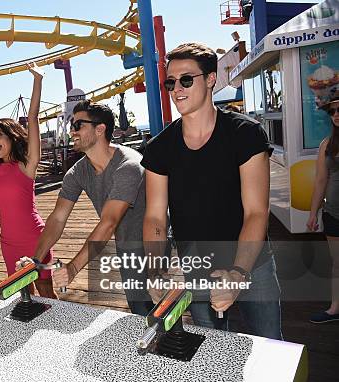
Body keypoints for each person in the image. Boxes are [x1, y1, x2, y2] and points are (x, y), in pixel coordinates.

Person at [141, 42, 282, 339]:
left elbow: (257, 212)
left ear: (210, 79)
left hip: (252, 265)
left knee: (271, 347)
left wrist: (238, 273)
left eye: (186, 79)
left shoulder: (245, 134)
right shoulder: (159, 149)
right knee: (213, 349)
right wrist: (154, 271)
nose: (177, 88)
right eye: (171, 82)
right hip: (198, 267)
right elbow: (155, 217)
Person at [23, 99, 152, 316]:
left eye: (77, 125)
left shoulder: (128, 166)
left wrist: (73, 268)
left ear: (100, 129)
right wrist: (35, 260)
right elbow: (57, 218)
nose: (71, 131)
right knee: (141, 311)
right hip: (128, 246)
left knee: (175, 312)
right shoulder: (77, 172)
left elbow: (109, 223)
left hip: (158, 244)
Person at [0, 63, 56, 298]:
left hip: (34, 238)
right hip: (7, 242)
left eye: (0, 134)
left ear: (12, 137)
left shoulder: (27, 165)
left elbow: (32, 118)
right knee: (23, 294)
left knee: (46, 291)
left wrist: (38, 80)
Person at [307, 95, 339, 323]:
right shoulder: (327, 145)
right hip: (334, 214)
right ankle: (335, 308)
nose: (336, 114)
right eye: (332, 111)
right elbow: (320, 181)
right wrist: (312, 213)